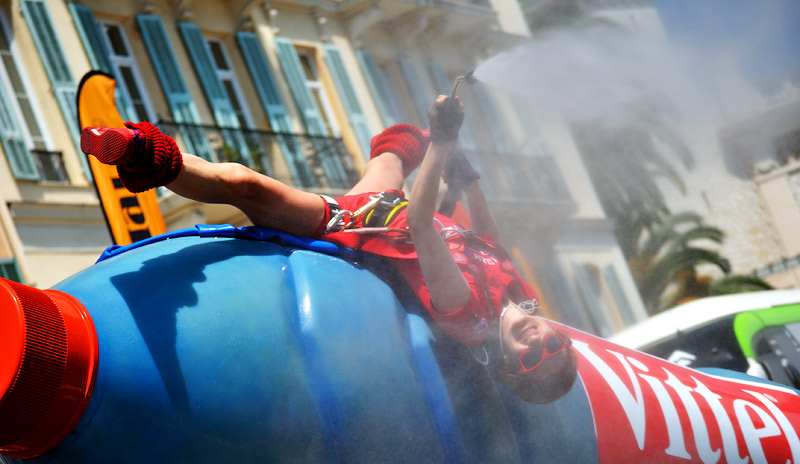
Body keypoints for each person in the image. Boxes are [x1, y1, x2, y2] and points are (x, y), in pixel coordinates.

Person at [81, 94, 577, 404]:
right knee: (395, 153)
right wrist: (467, 178)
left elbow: (421, 224)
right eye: (554, 346)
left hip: (356, 225)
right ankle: (409, 142)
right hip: (385, 205)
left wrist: (443, 144)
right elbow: (490, 241)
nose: (538, 342)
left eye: (531, 358)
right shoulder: (523, 295)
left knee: (248, 187)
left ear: (508, 366)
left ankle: (137, 151)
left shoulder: (470, 320)